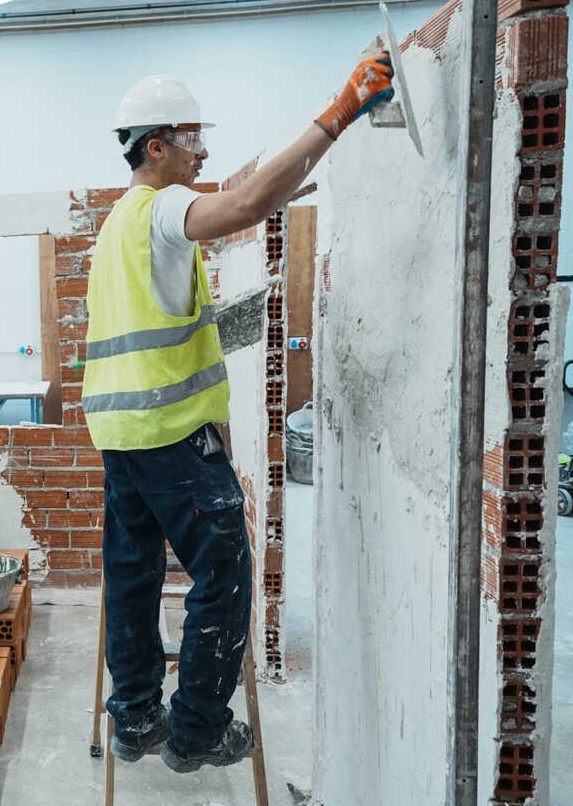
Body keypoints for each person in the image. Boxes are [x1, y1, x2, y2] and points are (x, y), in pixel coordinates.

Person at [84, 55, 395, 773]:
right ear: (156, 147)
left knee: (132, 577)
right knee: (223, 576)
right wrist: (340, 110)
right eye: (192, 138)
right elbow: (246, 203)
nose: (203, 151)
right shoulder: (163, 207)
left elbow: (157, 323)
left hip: (122, 436)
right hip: (171, 436)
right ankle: (196, 730)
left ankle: (136, 718)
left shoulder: (117, 224)